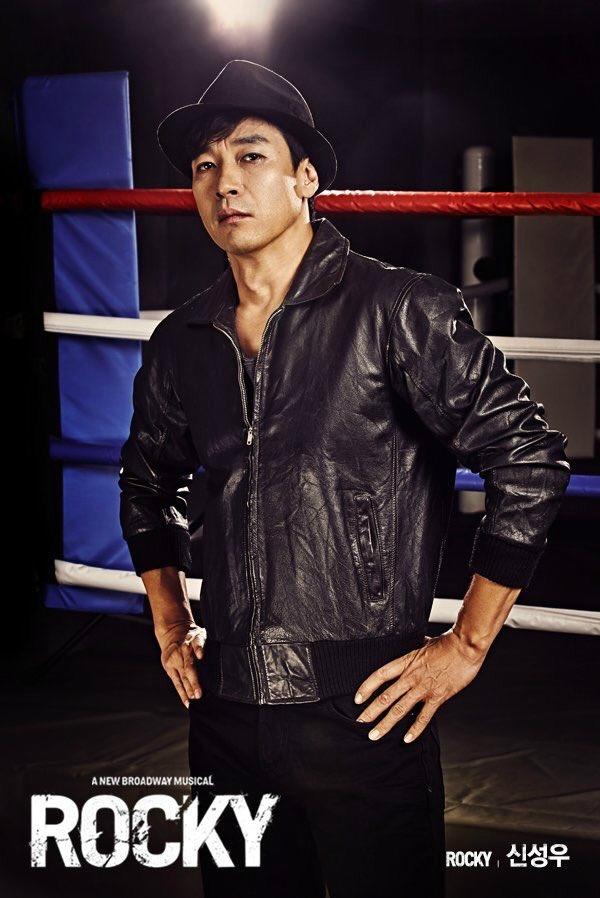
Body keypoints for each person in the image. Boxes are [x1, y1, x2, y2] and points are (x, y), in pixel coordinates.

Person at [118, 59, 571, 897]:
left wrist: (467, 644)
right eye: (206, 166)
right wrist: (171, 622)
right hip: (225, 711)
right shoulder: (183, 340)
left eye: (251, 156)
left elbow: (531, 459)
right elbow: (146, 483)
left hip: (364, 707)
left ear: (306, 178)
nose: (225, 182)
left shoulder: (399, 308)